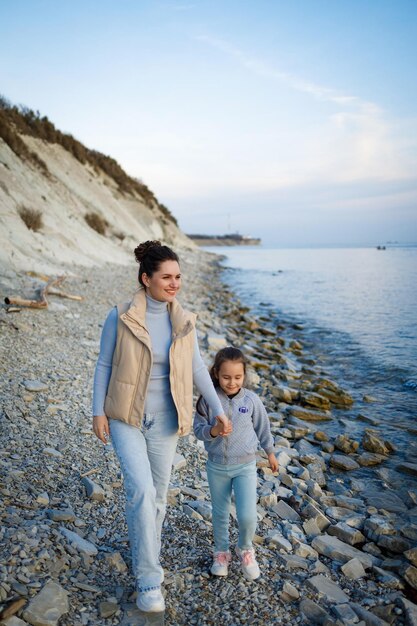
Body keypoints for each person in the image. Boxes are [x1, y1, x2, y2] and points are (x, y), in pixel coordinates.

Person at [92, 241, 231, 613]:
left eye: (178, 277)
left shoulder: (183, 321)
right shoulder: (119, 316)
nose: (174, 284)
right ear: (146, 278)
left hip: (167, 420)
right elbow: (104, 365)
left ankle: (143, 551)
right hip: (126, 417)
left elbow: (199, 368)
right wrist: (97, 412)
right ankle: (149, 579)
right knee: (139, 491)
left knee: (156, 500)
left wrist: (218, 409)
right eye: (166, 277)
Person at [193, 346, 278, 581]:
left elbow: (263, 428)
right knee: (220, 514)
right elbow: (198, 430)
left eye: (238, 377)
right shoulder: (208, 400)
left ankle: (245, 548)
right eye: (226, 377)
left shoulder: (251, 400)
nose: (232, 382)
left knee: (248, 515)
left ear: (244, 376)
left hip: (245, 467)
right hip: (217, 466)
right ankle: (221, 553)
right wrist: (214, 430)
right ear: (216, 374)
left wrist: (270, 452)